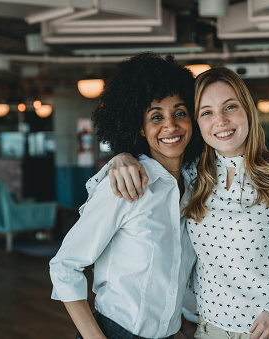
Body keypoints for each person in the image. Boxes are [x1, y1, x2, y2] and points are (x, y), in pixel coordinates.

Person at [87, 67, 269, 339]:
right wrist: (121, 156)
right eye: (207, 112)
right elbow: (111, 185)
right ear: (197, 123)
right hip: (210, 330)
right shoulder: (192, 175)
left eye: (230, 107)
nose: (221, 121)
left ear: (248, 111)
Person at [49, 52, 202, 339]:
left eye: (179, 112)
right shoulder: (124, 184)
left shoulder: (196, 185)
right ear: (139, 126)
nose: (170, 125)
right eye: (156, 116)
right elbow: (64, 266)